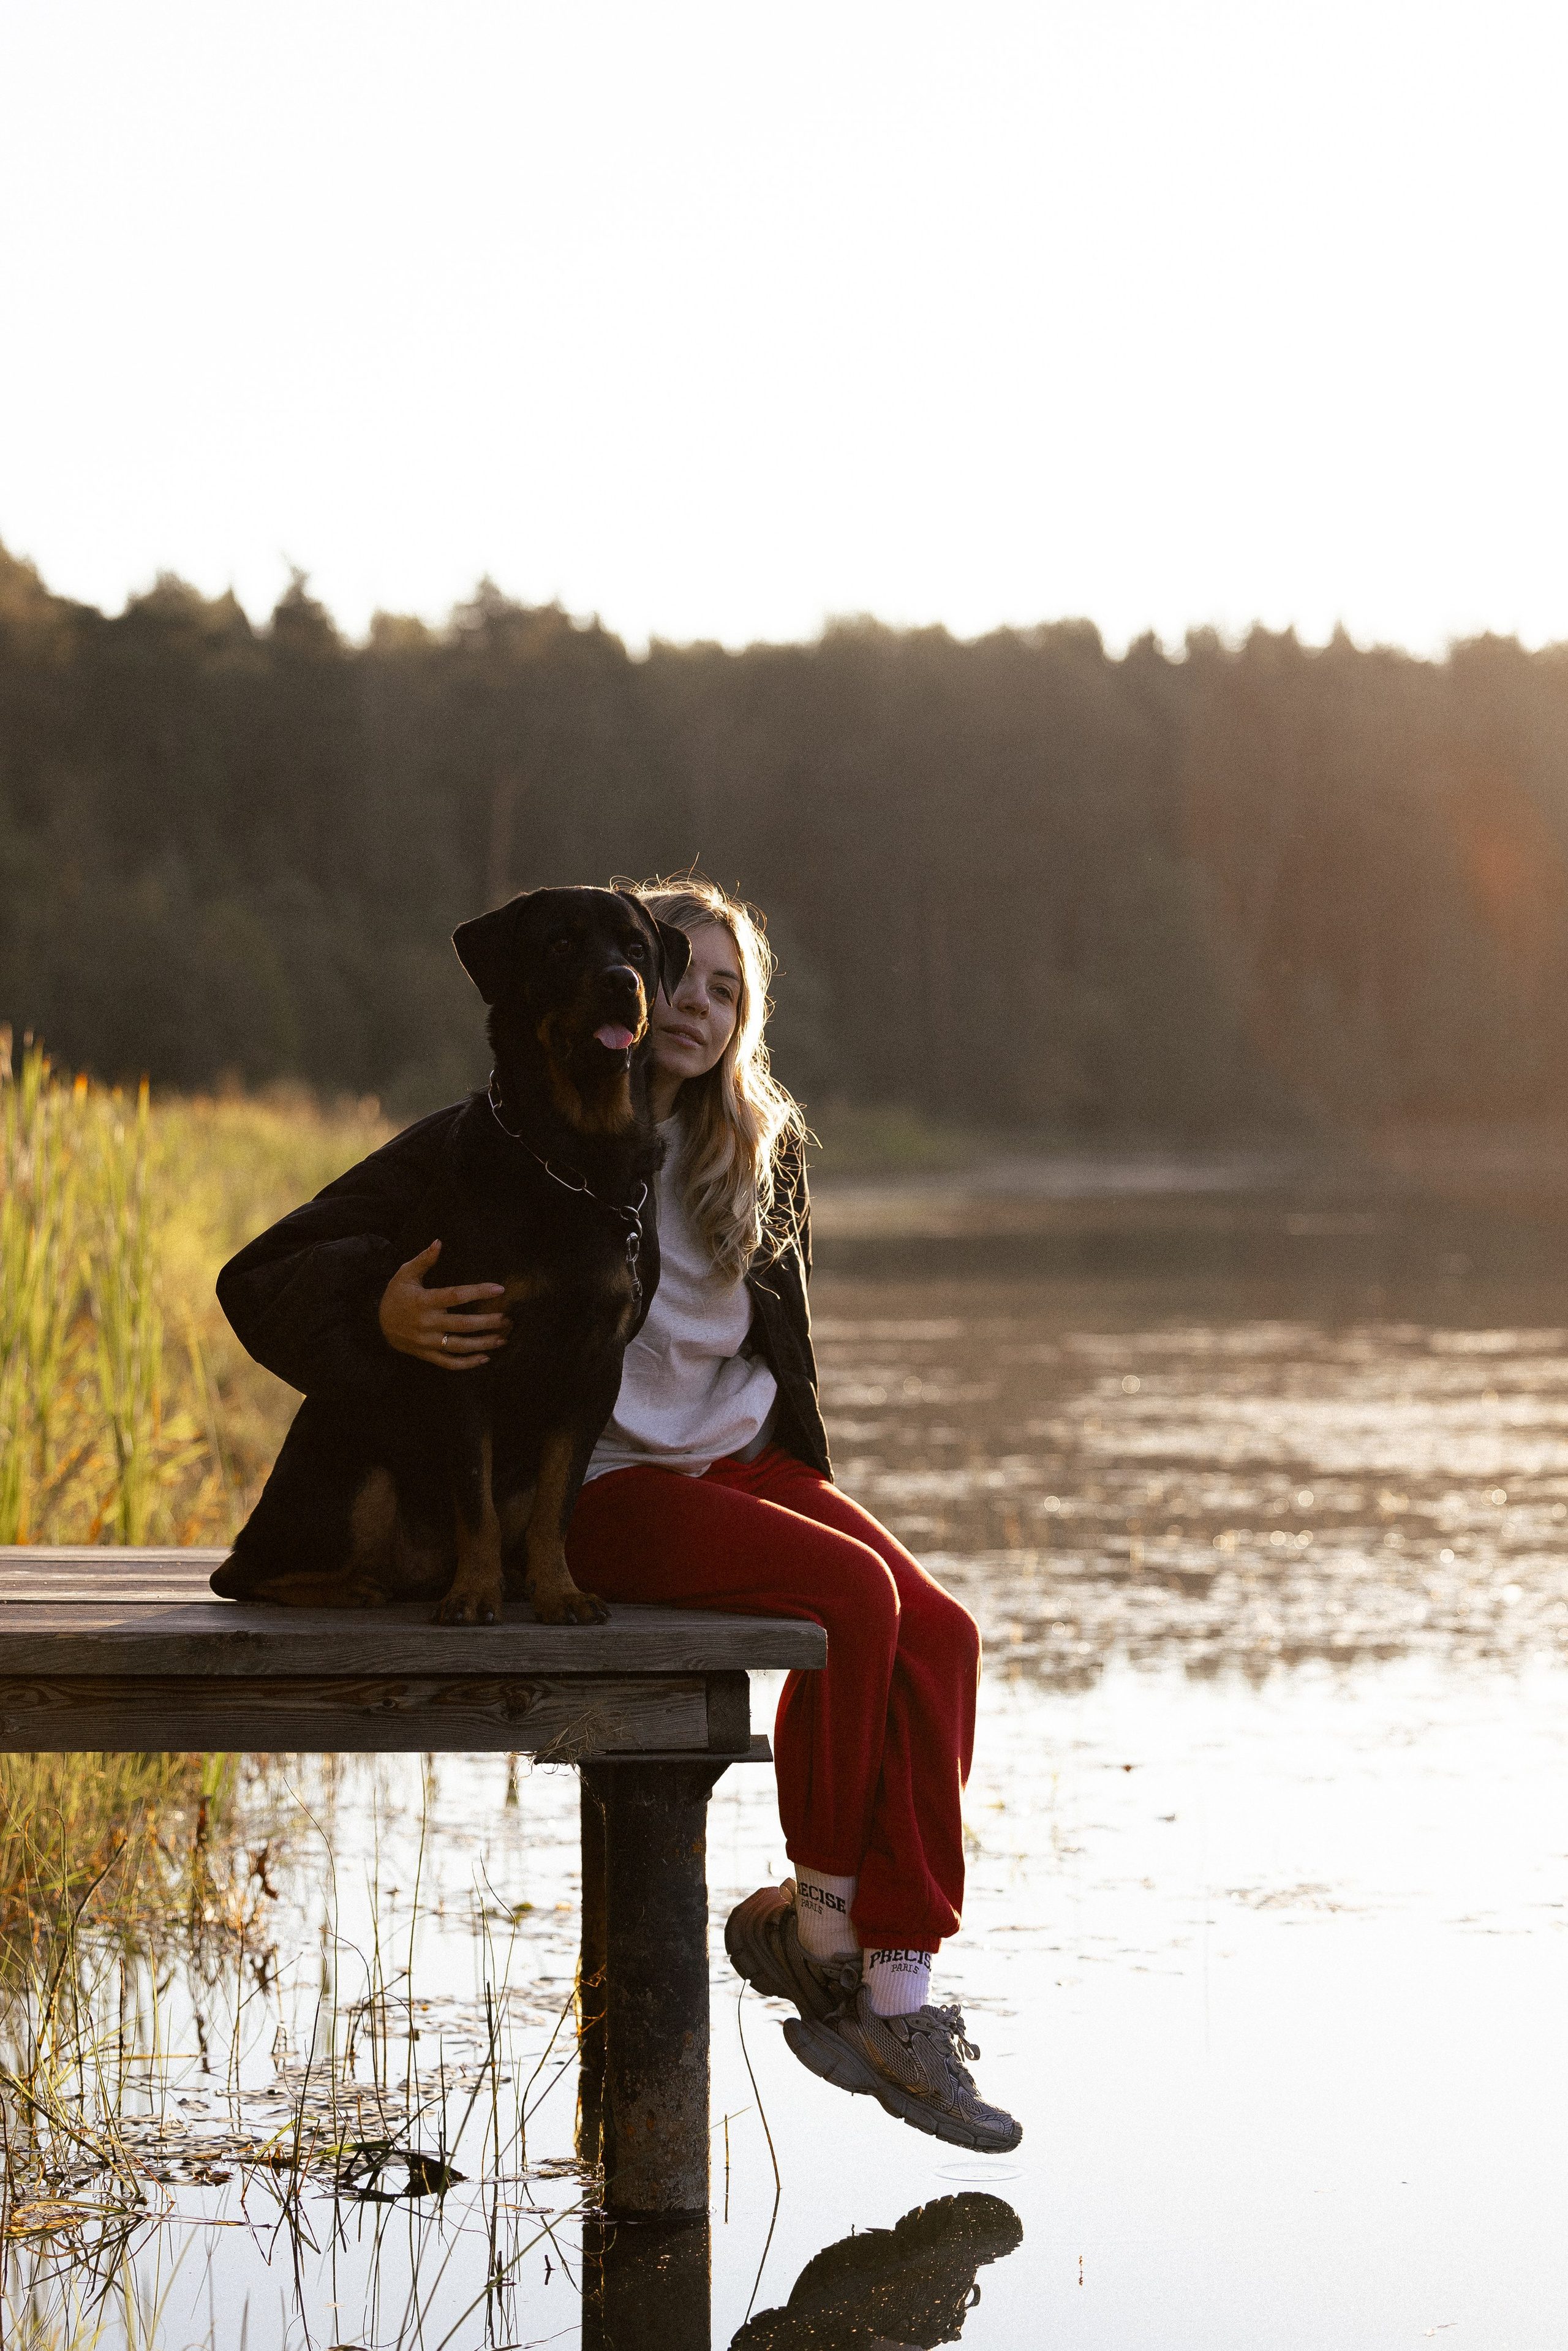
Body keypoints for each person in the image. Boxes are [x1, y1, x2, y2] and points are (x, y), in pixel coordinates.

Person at [218, 872, 1019, 2156]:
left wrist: (795, 1468)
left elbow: (770, 1355)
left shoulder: (758, 1145)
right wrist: (378, 1307)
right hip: (605, 1489)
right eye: (672, 973)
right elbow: (270, 1269)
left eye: (721, 988)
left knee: (941, 1629)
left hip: (745, 1466)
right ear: (610, 997)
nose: (686, 1005)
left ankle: (895, 1977)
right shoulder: (525, 1133)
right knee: (850, 1599)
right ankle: (825, 1940)